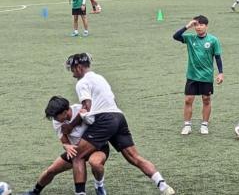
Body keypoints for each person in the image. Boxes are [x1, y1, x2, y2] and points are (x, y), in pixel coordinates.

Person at [62, 53, 175, 195]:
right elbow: (112, 101)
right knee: (134, 157)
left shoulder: (82, 83)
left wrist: (71, 126)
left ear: (78, 67)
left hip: (104, 120)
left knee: (77, 156)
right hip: (119, 117)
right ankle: (163, 185)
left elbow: (86, 107)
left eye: (72, 69)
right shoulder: (100, 78)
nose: (72, 74)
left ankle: (81, 193)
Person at [23, 96, 109, 195]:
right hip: (77, 150)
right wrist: (67, 146)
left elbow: (100, 126)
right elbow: (64, 141)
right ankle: (35, 191)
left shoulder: (82, 109)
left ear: (65, 112)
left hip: (97, 147)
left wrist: (84, 116)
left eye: (56, 116)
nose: (54, 119)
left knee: (95, 163)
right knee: (51, 170)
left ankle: (99, 185)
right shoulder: (56, 121)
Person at [172, 15, 224, 135]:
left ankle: (204, 125)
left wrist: (220, 73)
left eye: (201, 25)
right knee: (188, 100)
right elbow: (175, 36)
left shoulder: (213, 40)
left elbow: (218, 57)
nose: (198, 27)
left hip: (206, 76)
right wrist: (187, 26)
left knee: (206, 99)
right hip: (192, 75)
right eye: (196, 25)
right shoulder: (190, 39)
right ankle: (187, 125)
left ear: (206, 26)